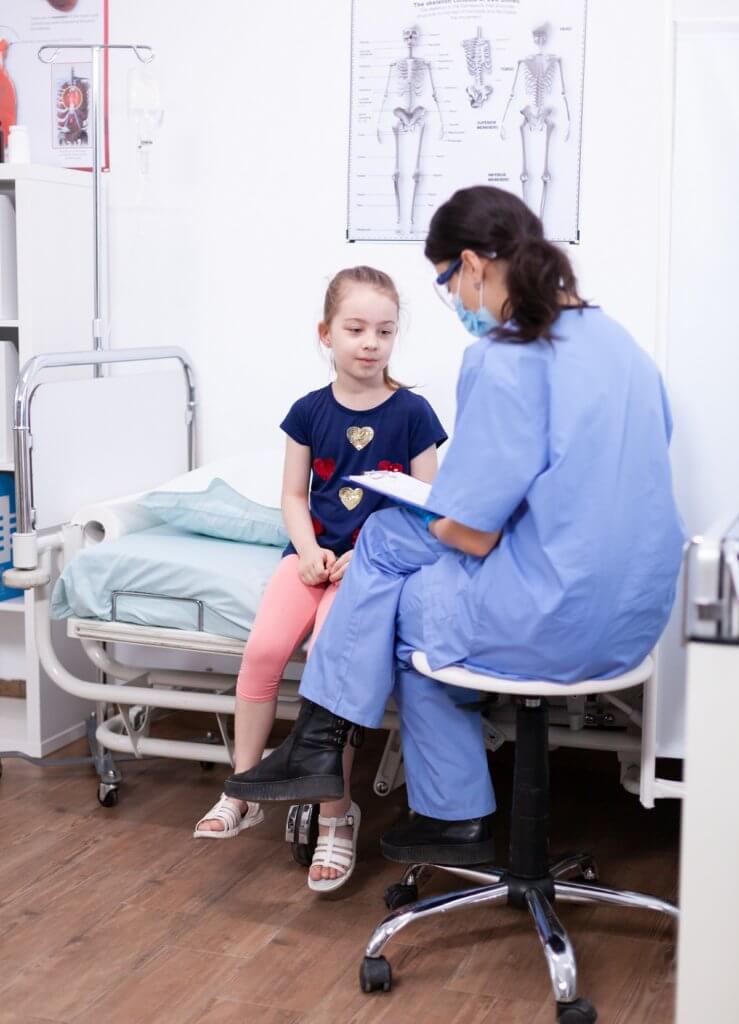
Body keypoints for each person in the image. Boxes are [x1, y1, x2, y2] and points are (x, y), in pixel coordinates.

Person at [225, 186, 684, 867]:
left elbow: (471, 534)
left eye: (445, 282)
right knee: (393, 550)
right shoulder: (616, 341)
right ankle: (323, 747)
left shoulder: (504, 354)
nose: (454, 298)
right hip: (636, 612)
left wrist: (423, 519)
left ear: (470, 265)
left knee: (395, 579)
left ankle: (433, 803)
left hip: (554, 618)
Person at [194, 265, 447, 891]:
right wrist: (307, 551)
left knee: (335, 672)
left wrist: (363, 558)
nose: (370, 342)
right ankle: (244, 789)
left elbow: (427, 505)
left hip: (371, 565)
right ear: (325, 333)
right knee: (263, 652)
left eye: (384, 331)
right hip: (309, 559)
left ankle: (337, 817)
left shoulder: (414, 412)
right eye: (356, 328)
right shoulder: (307, 412)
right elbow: (292, 495)